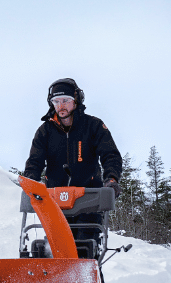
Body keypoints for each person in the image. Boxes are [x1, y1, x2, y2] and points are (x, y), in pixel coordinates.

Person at [22, 78, 123, 250]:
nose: (61, 106)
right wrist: (30, 182)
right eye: (56, 101)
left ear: (76, 101)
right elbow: (34, 161)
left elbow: (110, 154)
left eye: (65, 101)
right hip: (54, 201)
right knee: (54, 250)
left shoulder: (93, 126)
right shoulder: (45, 131)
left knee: (85, 248)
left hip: (89, 199)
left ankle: (85, 274)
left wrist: (111, 179)